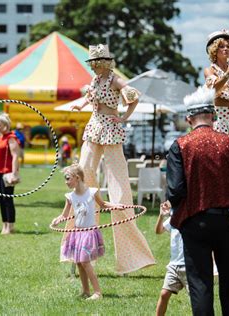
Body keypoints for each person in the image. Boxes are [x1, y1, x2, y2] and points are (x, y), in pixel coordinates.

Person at [166, 86, 229, 315]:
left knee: (200, 283)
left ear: (189, 119)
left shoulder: (180, 145)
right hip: (227, 221)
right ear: (213, 116)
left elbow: (175, 191)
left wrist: (181, 211)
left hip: (194, 222)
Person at [69, 44, 155, 273]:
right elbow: (90, 98)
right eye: (93, 63)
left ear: (105, 62)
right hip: (93, 128)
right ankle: (80, 250)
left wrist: (125, 117)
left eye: (96, 63)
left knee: (118, 185)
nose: (94, 66)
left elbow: (133, 97)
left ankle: (130, 258)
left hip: (110, 129)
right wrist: (80, 104)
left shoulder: (115, 80)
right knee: (83, 174)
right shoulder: (95, 81)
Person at [52, 164, 116, 300]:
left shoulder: (92, 192)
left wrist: (117, 206)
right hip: (77, 233)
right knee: (79, 262)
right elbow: (64, 215)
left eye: (68, 178)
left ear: (77, 177)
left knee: (85, 262)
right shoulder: (70, 196)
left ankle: (98, 292)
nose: (66, 182)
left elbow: (103, 204)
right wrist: (57, 220)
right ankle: (86, 291)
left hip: (89, 232)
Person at [155, 201, 188, 316]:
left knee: (196, 300)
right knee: (164, 294)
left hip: (189, 266)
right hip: (174, 265)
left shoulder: (191, 215)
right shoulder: (173, 217)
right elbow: (158, 231)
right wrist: (161, 216)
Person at [0, 113, 20, 235]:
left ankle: (10, 225)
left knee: (8, 199)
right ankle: (4, 224)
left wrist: (14, 173)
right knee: (1, 199)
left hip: (7, 173)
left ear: (5, 125)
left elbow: (15, 156)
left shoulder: (11, 138)